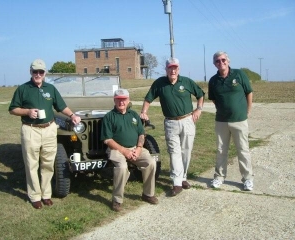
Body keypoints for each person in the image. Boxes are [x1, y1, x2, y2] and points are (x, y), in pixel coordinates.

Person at [8, 59, 81, 209]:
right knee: (31, 164)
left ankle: (46, 195)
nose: (38, 74)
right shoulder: (23, 89)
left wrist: (72, 115)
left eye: (41, 72)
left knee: (48, 163)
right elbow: (13, 109)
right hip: (30, 129)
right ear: (31, 72)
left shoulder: (51, 88)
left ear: (45, 73)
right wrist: (27, 111)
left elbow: (61, 106)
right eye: (35, 71)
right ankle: (35, 196)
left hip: (49, 129)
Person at [140, 58, 204, 197]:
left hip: (187, 120)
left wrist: (198, 109)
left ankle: (183, 177)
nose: (173, 70)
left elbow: (200, 95)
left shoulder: (186, 82)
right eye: (170, 68)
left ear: (178, 69)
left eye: (175, 68)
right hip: (170, 123)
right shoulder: (160, 83)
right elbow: (148, 99)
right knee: (174, 152)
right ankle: (176, 183)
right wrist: (144, 112)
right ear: (166, 69)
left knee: (186, 151)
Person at [101, 88, 158, 212]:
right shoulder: (109, 117)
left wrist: (138, 149)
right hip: (116, 149)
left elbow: (141, 134)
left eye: (124, 99)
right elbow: (108, 140)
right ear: (114, 100)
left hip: (135, 148)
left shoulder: (134, 115)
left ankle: (148, 194)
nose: (121, 102)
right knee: (121, 168)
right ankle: (117, 200)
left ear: (128, 100)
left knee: (151, 162)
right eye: (118, 99)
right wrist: (125, 151)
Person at [208, 51, 254, 191]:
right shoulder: (213, 81)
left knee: (243, 150)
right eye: (217, 61)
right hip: (221, 121)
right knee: (221, 150)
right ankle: (219, 176)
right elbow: (215, 99)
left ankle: (247, 179)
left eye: (223, 59)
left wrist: (247, 111)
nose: (220, 62)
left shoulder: (239, 74)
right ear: (214, 64)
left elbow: (249, 93)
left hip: (239, 120)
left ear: (228, 61)